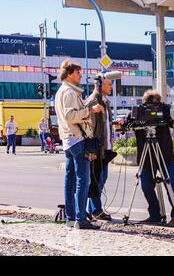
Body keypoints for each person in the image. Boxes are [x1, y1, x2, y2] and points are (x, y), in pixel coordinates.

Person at [55, 60, 104, 230]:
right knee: (83, 180)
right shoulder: (69, 92)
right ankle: (80, 219)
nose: (80, 75)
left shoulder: (61, 91)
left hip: (68, 140)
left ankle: (70, 218)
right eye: (77, 72)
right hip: (76, 139)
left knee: (70, 180)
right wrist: (91, 110)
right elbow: (70, 116)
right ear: (69, 74)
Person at [131, 90, 174, 227]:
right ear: (143, 102)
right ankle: (155, 214)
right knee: (146, 185)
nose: (152, 110)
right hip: (146, 155)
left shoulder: (166, 109)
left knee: (171, 185)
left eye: (155, 107)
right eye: (149, 106)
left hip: (164, 154)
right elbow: (127, 123)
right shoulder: (138, 110)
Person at [85, 77, 115, 222]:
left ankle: (93, 209)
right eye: (109, 84)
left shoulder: (105, 101)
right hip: (97, 150)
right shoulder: (93, 102)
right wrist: (92, 151)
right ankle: (95, 210)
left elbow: (105, 125)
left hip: (105, 149)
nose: (111, 87)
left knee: (101, 180)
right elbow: (90, 129)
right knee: (96, 180)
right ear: (100, 85)